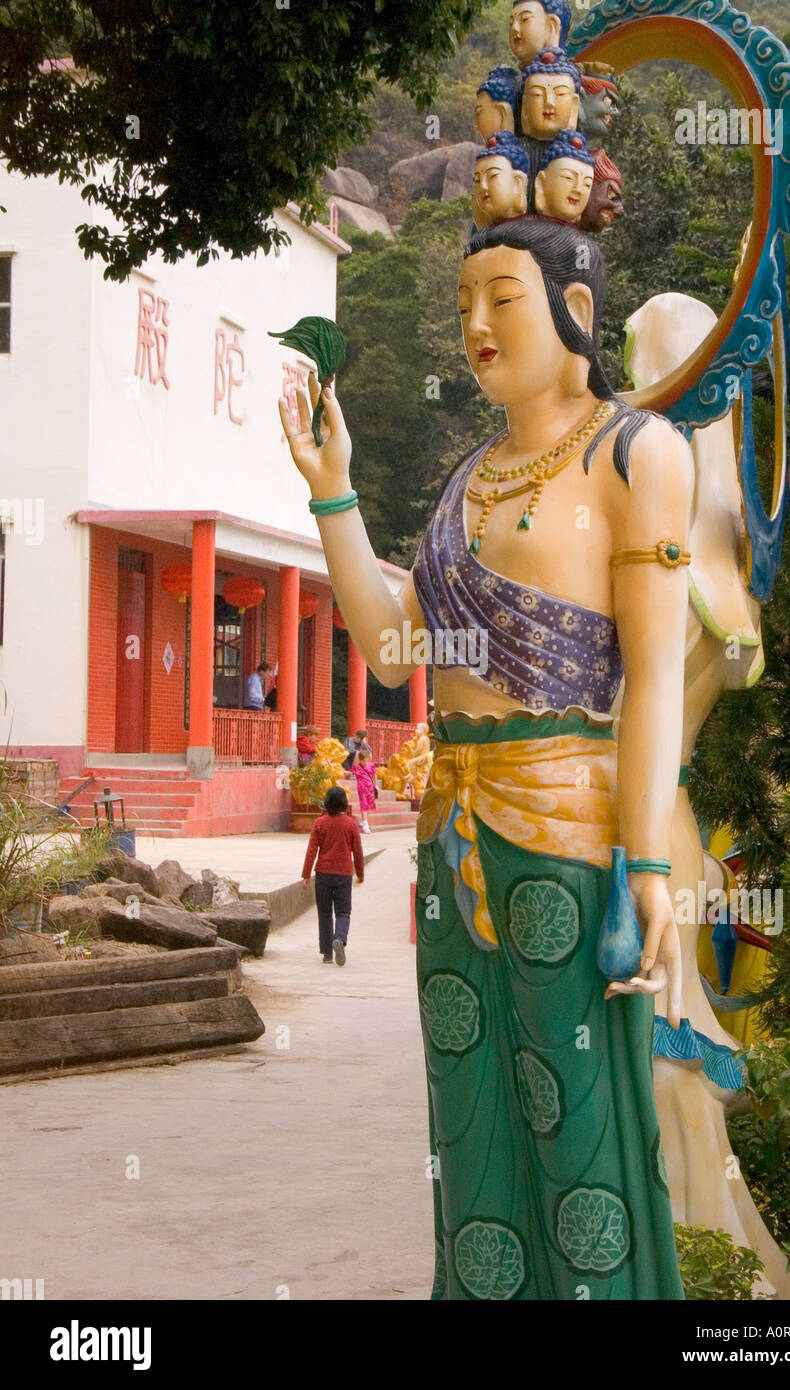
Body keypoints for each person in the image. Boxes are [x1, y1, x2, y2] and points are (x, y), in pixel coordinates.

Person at [280, 216, 689, 1299]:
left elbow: (653, 672)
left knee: (575, 1112)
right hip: (451, 831)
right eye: (464, 303)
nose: (473, 326)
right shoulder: (468, 478)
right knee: (469, 1121)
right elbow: (394, 643)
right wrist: (334, 490)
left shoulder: (635, 453)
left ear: (577, 313)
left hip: (565, 831)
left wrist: (646, 862)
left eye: (500, 299)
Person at [301, 785, 364, 966]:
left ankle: (327, 953)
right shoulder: (350, 824)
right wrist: (360, 873)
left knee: (325, 913)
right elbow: (358, 852)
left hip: (323, 874)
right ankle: (340, 938)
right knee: (343, 912)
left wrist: (306, 874)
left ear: (327, 802)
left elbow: (312, 850)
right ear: (344, 803)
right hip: (343, 874)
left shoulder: (320, 823)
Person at [349, 748, 377, 833]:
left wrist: (376, 785)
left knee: (369, 805)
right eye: (362, 760)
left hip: (370, 788)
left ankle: (364, 821)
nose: (364, 762)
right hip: (362, 788)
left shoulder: (371, 765)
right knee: (364, 804)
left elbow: (375, 775)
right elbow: (349, 773)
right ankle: (365, 823)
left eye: (366, 759)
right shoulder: (357, 767)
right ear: (360, 759)